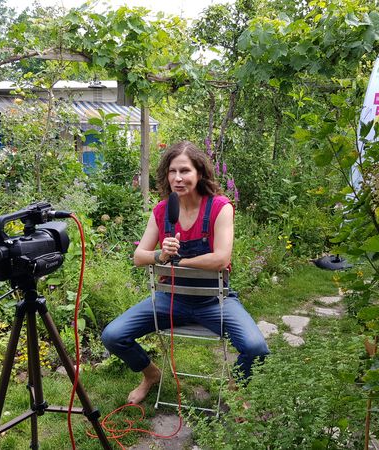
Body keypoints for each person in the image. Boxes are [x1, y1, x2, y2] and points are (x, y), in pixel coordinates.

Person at [101, 140, 269, 404]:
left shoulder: (219, 207)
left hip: (215, 301)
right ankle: (150, 374)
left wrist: (177, 262)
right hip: (170, 301)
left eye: (185, 171)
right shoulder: (161, 211)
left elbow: (222, 258)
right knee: (113, 336)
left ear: (199, 173)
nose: (178, 178)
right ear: (166, 175)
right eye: (172, 172)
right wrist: (161, 255)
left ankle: (238, 385)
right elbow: (139, 257)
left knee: (257, 348)